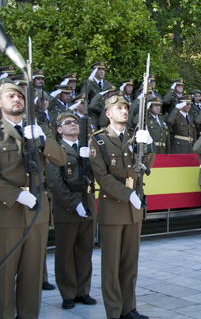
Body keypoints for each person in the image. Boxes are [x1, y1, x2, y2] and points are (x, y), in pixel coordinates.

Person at [0, 79, 67, 319]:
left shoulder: (37, 128)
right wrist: (15, 194)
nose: (17, 100)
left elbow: (61, 159)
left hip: (36, 215)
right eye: (11, 96)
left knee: (32, 276)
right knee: (4, 279)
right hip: (7, 215)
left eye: (20, 97)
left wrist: (43, 140)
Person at [89, 94, 155, 319]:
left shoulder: (135, 137)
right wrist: (128, 194)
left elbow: (146, 165)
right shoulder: (98, 141)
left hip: (133, 211)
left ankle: (129, 308)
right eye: (119, 108)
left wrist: (149, 144)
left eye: (126, 108)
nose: (124, 111)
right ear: (108, 114)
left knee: (130, 263)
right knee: (111, 266)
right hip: (114, 209)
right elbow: (102, 177)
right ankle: (114, 311)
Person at [46, 111, 97, 310]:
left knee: (85, 250)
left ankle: (83, 290)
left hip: (87, 202)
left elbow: (97, 175)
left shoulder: (87, 149)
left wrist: (90, 160)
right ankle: (67, 293)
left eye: (75, 122)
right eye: (67, 123)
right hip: (66, 206)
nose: (73, 125)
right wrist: (73, 203)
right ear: (59, 130)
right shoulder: (56, 150)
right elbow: (55, 182)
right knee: (65, 252)